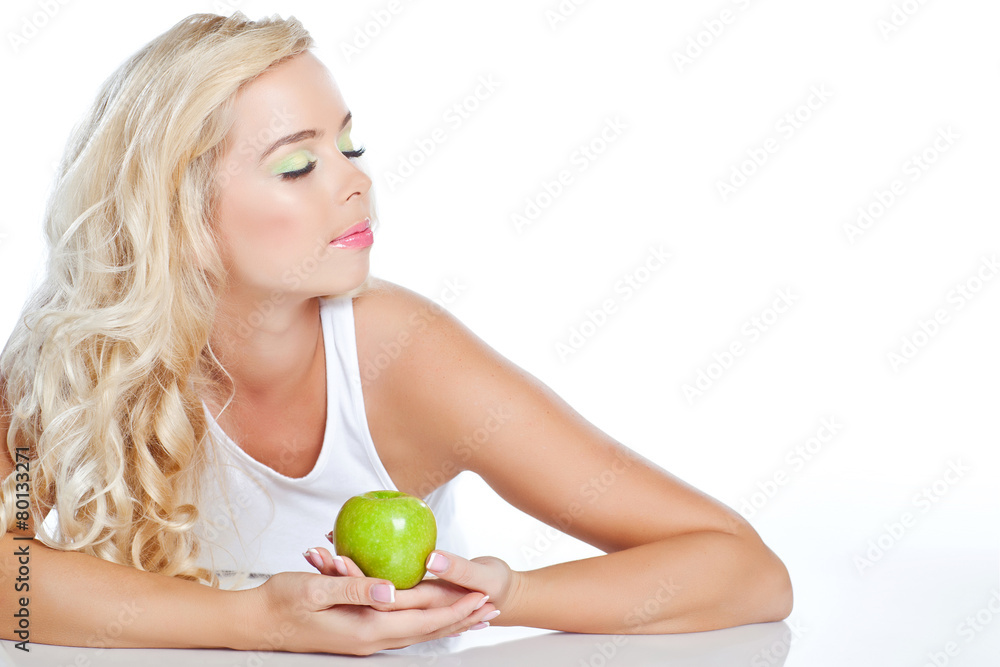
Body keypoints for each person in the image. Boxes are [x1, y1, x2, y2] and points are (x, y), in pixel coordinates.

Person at [0, 12, 792, 656]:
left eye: (348, 145)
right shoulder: (78, 352)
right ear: (182, 220)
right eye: (296, 165)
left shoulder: (403, 355)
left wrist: (499, 593)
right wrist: (256, 621)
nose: (357, 178)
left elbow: (749, 572)